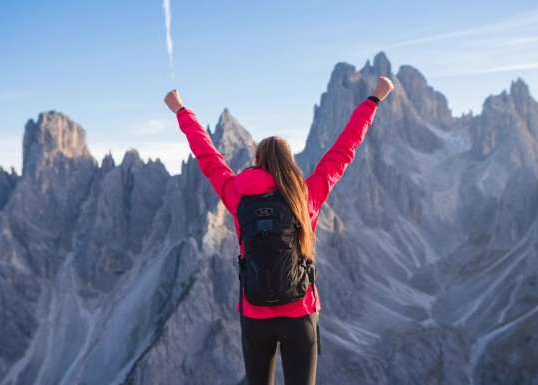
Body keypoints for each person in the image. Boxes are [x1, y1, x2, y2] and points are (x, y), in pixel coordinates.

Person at [164, 76, 395, 385]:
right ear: (289, 164)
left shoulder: (237, 193)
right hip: (300, 313)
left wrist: (181, 110)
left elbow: (207, 156)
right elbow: (344, 148)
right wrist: (374, 100)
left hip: (255, 315)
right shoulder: (306, 196)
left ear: (257, 162)